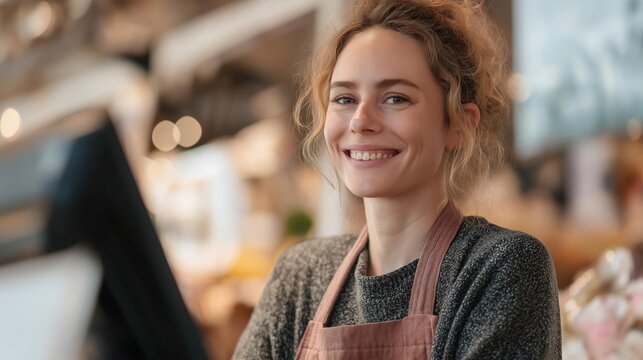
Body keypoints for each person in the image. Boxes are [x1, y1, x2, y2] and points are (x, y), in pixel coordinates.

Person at [233, 0, 561, 358]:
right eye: (344, 98)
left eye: (395, 98)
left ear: (459, 125)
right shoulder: (299, 276)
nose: (360, 120)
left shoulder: (499, 268)